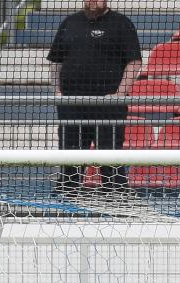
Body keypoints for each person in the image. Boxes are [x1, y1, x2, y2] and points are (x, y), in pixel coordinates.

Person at [47, 0, 142, 195]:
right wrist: (57, 92)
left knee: (110, 157)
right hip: (72, 105)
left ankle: (115, 198)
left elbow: (134, 62)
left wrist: (120, 94)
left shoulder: (122, 23)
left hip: (108, 106)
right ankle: (67, 198)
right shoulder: (69, 23)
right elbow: (56, 61)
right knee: (70, 155)